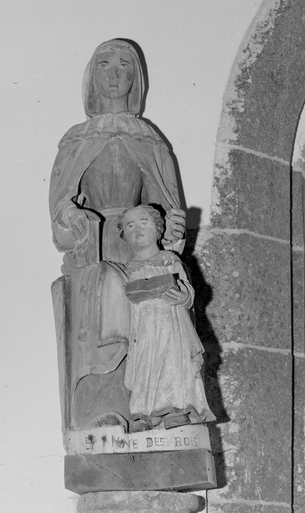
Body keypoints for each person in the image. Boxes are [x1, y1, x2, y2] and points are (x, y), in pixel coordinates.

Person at [49, 39, 186, 430]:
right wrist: (71, 216)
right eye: (104, 64)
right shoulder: (77, 139)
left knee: (150, 290)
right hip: (92, 251)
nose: (114, 73)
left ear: (135, 78)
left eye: (124, 65)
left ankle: (154, 407)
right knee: (110, 286)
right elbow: (60, 206)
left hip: (139, 245)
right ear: (91, 77)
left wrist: (172, 228)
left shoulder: (148, 139)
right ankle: (106, 408)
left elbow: (164, 207)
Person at [119, 205, 215, 432]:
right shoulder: (127, 269)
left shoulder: (168, 260)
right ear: (124, 235)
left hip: (169, 324)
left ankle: (174, 409)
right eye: (130, 226)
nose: (137, 229)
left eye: (143, 222)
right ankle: (144, 413)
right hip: (142, 327)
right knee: (144, 364)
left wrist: (183, 296)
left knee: (170, 362)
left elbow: (187, 290)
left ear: (158, 229)